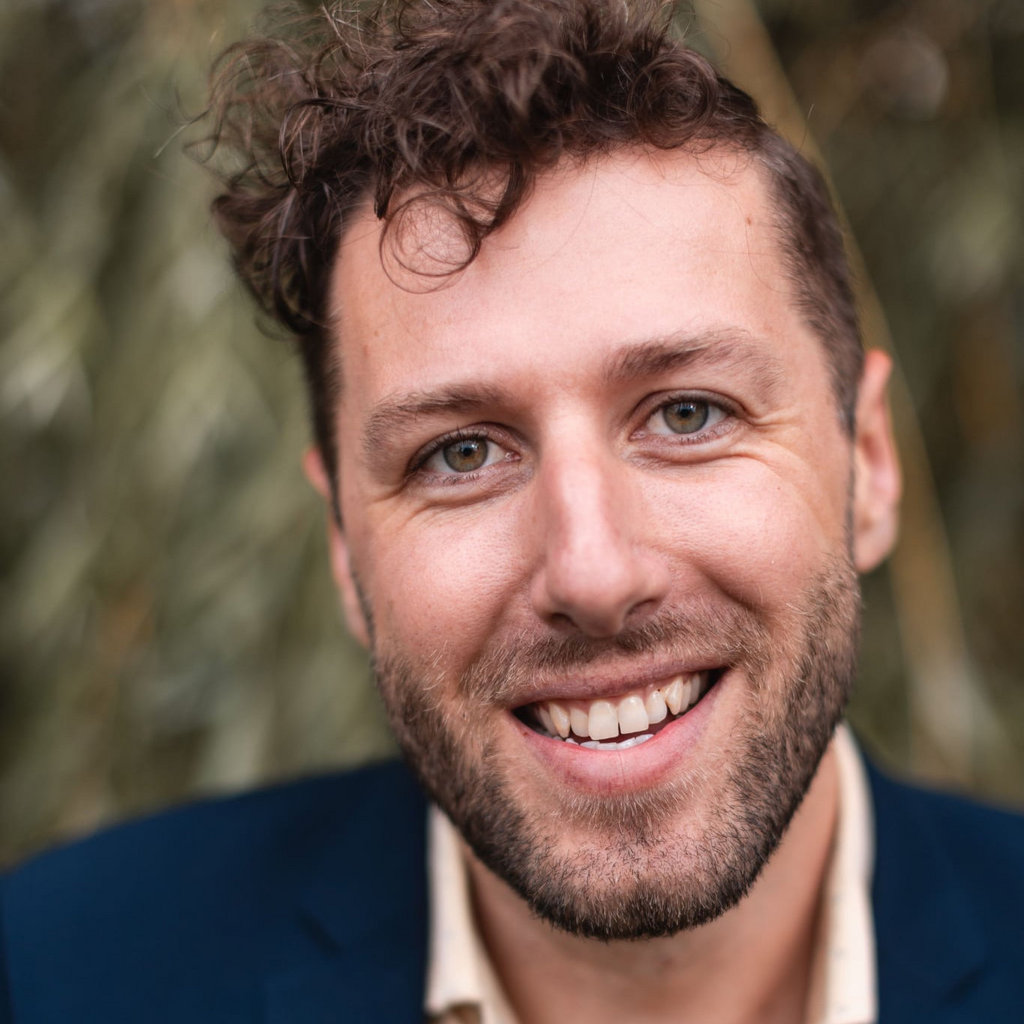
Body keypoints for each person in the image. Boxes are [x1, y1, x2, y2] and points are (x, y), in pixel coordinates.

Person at [2, 1, 1022, 1021]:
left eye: (688, 413)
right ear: (345, 549)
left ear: (869, 463)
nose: (593, 572)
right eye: (461, 454)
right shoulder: (58, 977)